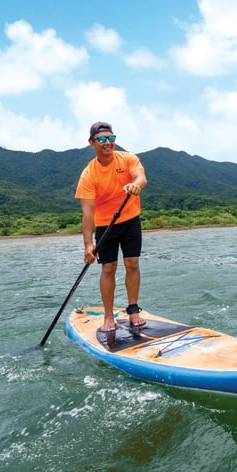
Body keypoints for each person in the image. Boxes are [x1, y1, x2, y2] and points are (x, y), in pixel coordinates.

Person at [75, 121, 148, 333]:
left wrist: (136, 185)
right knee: (108, 268)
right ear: (92, 143)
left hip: (130, 219)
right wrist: (88, 245)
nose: (108, 142)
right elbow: (88, 213)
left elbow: (141, 177)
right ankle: (108, 316)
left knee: (132, 263)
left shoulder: (127, 158)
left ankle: (133, 310)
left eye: (111, 138)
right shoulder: (89, 174)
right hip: (106, 225)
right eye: (102, 139)